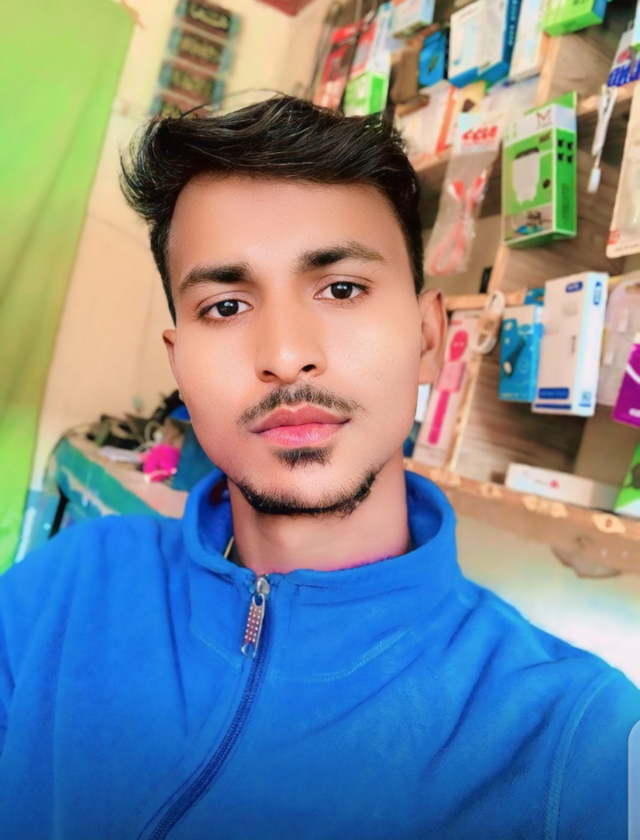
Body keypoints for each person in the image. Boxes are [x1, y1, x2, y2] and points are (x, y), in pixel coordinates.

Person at [0, 95, 638, 840]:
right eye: (226, 306)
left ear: (429, 338)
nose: (285, 355)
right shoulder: (66, 586)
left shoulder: (577, 744)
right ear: (180, 365)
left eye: (341, 289)